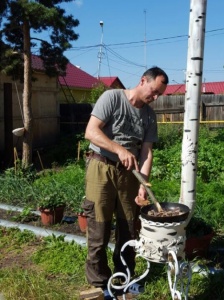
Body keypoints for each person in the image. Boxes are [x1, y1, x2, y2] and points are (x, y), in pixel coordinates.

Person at [82, 66, 169, 299]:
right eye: (153, 91)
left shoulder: (149, 115)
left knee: (129, 229)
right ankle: (100, 283)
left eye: (159, 94)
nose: (156, 97)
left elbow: (147, 153)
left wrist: (144, 184)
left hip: (130, 175)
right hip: (101, 168)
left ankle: (125, 279)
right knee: (98, 228)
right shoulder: (112, 97)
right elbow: (91, 131)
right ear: (142, 80)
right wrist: (119, 149)